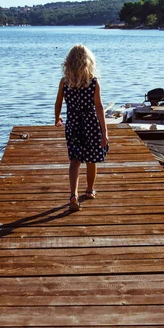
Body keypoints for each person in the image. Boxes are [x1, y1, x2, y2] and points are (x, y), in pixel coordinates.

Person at [55, 44, 109, 211]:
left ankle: (73, 194)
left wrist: (57, 118)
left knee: (75, 160)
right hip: (91, 124)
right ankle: (90, 190)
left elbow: (58, 102)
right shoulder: (93, 83)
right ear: (88, 62)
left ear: (69, 63)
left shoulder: (64, 82)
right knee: (92, 159)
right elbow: (99, 107)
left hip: (72, 124)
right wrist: (104, 132)